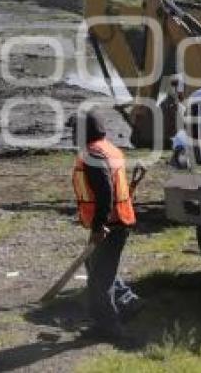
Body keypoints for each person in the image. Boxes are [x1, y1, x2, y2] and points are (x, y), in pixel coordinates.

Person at [71, 111, 142, 338]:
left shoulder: (94, 154)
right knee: (96, 266)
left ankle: (107, 327)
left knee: (99, 280)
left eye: (74, 130)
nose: (72, 135)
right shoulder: (107, 148)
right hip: (116, 220)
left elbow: (105, 192)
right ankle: (128, 302)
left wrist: (98, 226)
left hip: (110, 224)